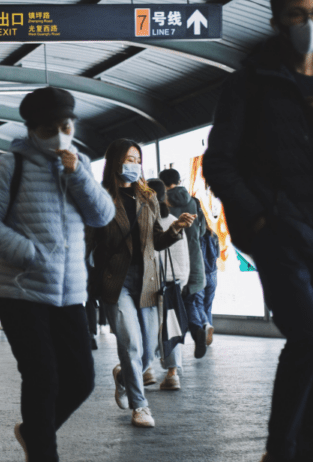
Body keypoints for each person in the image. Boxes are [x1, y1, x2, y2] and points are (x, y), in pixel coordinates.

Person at [202, 0, 313, 461]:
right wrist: (259, 219)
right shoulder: (251, 84)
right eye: (298, 15)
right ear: (278, 20)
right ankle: (280, 452)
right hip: (280, 235)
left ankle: (308, 452)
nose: (309, 23)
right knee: (310, 339)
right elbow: (219, 161)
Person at [0, 86, 116, 461]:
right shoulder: (10, 165)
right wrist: (28, 253)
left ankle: (34, 433)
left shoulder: (79, 163)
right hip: (20, 291)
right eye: (51, 127)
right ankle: (42, 453)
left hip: (70, 294)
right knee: (43, 379)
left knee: (82, 380)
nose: (60, 133)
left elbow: (102, 216)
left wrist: (78, 175)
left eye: (65, 125)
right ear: (33, 129)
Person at [87, 140, 191, 429]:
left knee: (149, 349)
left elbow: (156, 240)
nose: (134, 165)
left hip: (147, 281)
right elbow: (88, 244)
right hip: (115, 281)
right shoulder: (101, 198)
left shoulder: (148, 197)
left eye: (138, 159)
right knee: (130, 343)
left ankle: (123, 376)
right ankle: (139, 406)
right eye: (129, 159)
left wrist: (176, 228)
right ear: (116, 163)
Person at [159, 168, 209, 358]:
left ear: (163, 183)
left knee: (178, 304)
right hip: (195, 259)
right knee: (192, 300)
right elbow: (202, 230)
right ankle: (198, 329)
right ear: (179, 180)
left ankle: (194, 333)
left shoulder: (165, 204)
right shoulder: (194, 202)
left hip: (175, 259)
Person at [147, 179, 189, 390]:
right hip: (174, 283)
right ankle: (172, 374)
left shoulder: (146, 221)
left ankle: (147, 370)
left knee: (148, 325)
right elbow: (185, 256)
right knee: (170, 325)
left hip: (151, 282)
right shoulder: (174, 220)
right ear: (165, 197)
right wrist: (182, 281)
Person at [199, 225, 220, 345]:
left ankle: (205, 330)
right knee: (208, 306)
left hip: (201, 274)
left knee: (198, 305)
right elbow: (217, 255)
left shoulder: (198, 235)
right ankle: (208, 331)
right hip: (212, 274)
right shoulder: (215, 235)